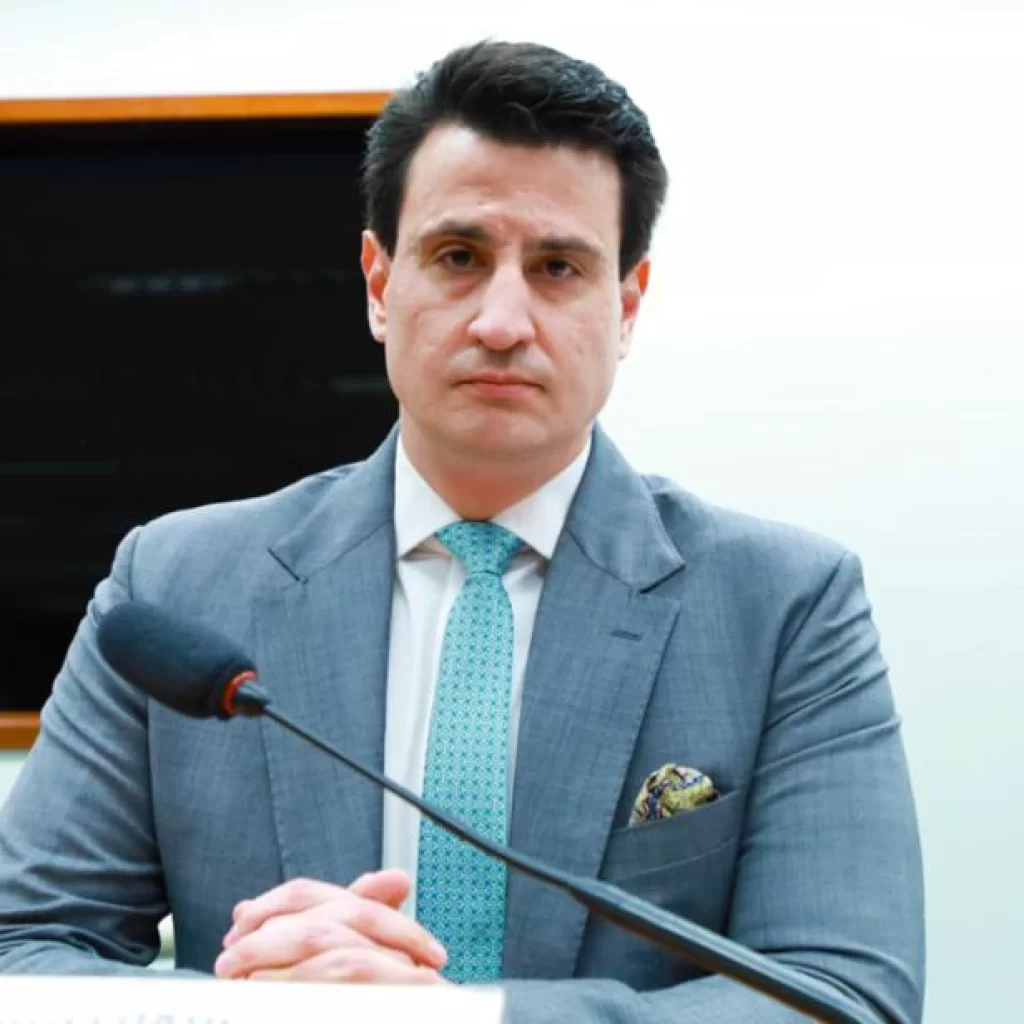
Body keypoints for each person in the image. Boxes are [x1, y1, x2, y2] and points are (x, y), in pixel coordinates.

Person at [0, 39, 924, 1023]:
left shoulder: (784, 605)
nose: (501, 320)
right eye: (458, 257)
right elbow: (21, 950)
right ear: (378, 283)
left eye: (558, 266)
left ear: (625, 307)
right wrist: (261, 1012)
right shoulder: (176, 581)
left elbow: (846, 997)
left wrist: (444, 1018)